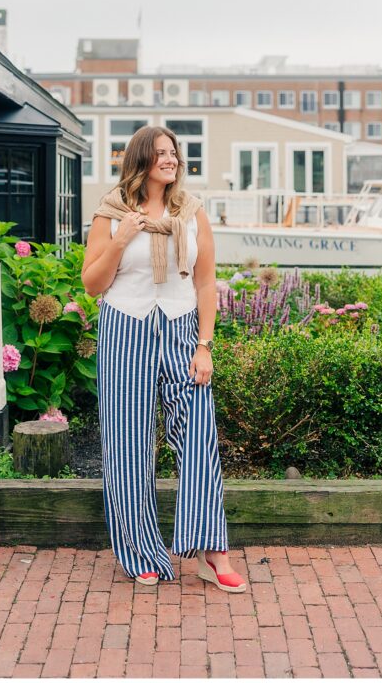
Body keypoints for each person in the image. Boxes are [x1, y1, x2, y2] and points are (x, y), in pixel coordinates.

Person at [82, 125, 246, 592]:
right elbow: (92, 284)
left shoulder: (192, 214)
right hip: (125, 328)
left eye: (174, 153)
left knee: (197, 435)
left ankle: (211, 550)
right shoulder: (111, 212)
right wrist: (120, 239)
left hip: (180, 328)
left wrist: (204, 345)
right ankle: (140, 551)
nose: (170, 160)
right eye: (160, 153)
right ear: (140, 160)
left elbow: (204, 284)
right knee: (127, 442)